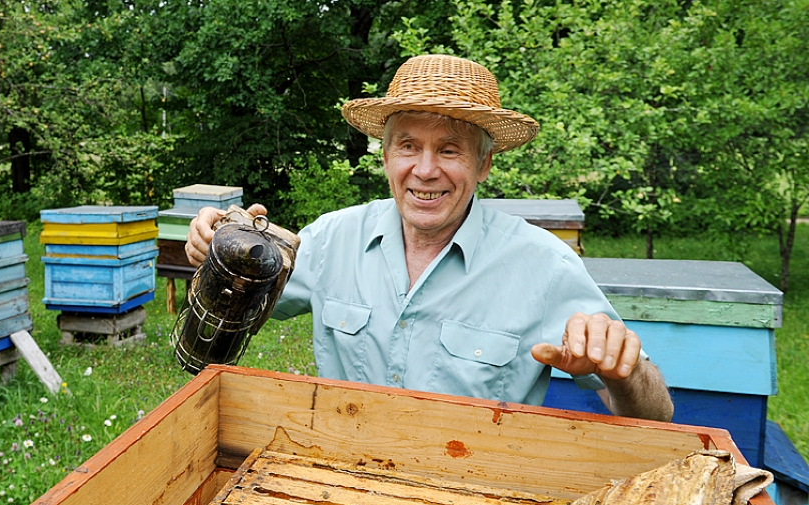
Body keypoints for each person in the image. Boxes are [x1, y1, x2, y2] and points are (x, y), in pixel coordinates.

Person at [186, 54, 674, 422]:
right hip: (339, 481)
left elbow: (656, 415)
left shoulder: (544, 267)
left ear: (483, 164)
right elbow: (245, 289)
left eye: (449, 149)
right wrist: (218, 246)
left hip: (474, 501)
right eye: (408, 147)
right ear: (385, 156)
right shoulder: (333, 239)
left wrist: (622, 370)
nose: (425, 170)